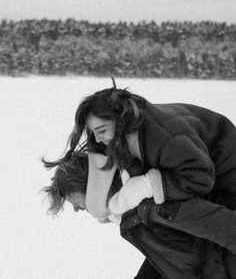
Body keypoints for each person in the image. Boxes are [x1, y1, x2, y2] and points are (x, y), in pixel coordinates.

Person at [43, 81, 236, 278]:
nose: (76, 209)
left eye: (75, 202)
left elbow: (201, 183)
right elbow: (168, 256)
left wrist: (148, 185)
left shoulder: (164, 144)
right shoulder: (136, 201)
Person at [42, 150, 236, 279]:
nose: (77, 209)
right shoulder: (129, 213)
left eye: (76, 202)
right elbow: (168, 252)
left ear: (92, 187)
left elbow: (223, 227)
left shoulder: (151, 202)